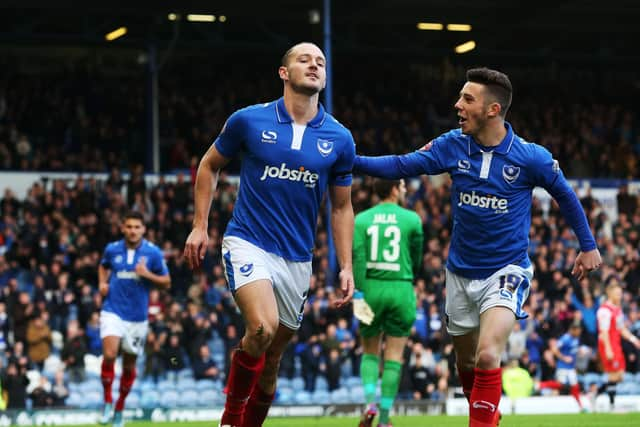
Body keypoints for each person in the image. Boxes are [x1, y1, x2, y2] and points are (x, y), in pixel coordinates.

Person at [353, 67, 602, 427]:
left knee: (488, 356)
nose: (457, 105)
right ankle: (487, 413)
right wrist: (351, 160)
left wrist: (588, 245)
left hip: (506, 271)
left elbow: (563, 193)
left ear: (492, 110)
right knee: (466, 365)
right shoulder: (452, 145)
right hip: (459, 273)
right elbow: (401, 164)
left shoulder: (530, 157)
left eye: (467, 99)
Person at [183, 42, 356, 427]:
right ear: (283, 73)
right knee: (262, 327)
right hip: (248, 241)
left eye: (321, 62)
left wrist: (345, 265)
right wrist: (199, 225)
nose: (314, 65)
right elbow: (209, 165)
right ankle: (230, 420)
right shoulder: (249, 120)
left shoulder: (340, 138)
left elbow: (342, 207)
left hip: (297, 258)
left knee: (273, 358)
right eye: (304, 59)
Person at [353, 179, 423, 427]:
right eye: (403, 186)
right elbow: (416, 258)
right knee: (394, 355)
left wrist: (358, 294)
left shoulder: (361, 220)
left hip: (370, 288)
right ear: (394, 189)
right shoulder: (411, 219)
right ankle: (383, 419)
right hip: (401, 286)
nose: (404, 191)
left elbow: (358, 260)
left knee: (370, 352)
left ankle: (370, 402)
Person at [98, 211, 171, 427]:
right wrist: (103, 283)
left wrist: (146, 274)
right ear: (122, 228)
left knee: (129, 367)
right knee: (110, 354)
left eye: (137, 227)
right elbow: (103, 265)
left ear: (143, 229)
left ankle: (120, 407)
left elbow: (166, 282)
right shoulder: (112, 249)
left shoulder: (153, 253)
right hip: (112, 310)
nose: (132, 230)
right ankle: (107, 401)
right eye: (129, 226)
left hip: (138, 318)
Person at [595, 280, 640, 410]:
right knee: (614, 375)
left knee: (619, 375)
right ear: (610, 294)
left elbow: (621, 329)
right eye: (617, 294)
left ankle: (596, 393)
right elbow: (604, 332)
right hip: (608, 344)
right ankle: (611, 404)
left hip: (616, 344)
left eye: (620, 294)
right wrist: (608, 349)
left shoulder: (617, 309)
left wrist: (633, 340)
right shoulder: (604, 311)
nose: (620, 296)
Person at [538, 321, 584, 410]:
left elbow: (572, 350)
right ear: (573, 330)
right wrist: (564, 358)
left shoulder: (576, 338)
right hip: (563, 366)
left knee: (575, 386)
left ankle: (580, 406)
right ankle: (541, 385)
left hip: (571, 367)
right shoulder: (565, 338)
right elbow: (554, 349)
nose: (579, 332)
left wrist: (579, 352)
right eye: (578, 330)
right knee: (561, 385)